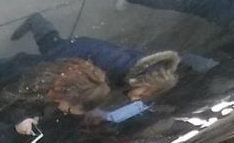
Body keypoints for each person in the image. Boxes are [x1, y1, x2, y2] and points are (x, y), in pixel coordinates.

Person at [10, 12, 180, 101]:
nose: (137, 99)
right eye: (142, 95)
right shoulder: (120, 65)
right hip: (77, 52)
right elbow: (96, 57)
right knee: (45, 57)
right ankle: (35, 25)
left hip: (82, 52)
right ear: (145, 82)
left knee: (51, 45)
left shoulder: (138, 70)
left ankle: (37, 22)